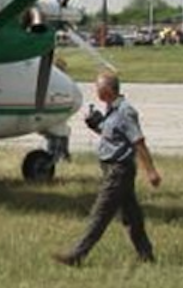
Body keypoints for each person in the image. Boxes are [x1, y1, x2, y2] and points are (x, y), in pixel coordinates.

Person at [54, 71, 162, 267]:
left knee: (100, 214)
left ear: (108, 89)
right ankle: (147, 256)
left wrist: (151, 171)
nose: (95, 90)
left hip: (119, 171)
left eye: (98, 87)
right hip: (113, 170)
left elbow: (138, 142)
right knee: (132, 217)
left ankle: (77, 255)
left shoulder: (125, 112)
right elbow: (112, 137)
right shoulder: (111, 110)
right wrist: (95, 125)